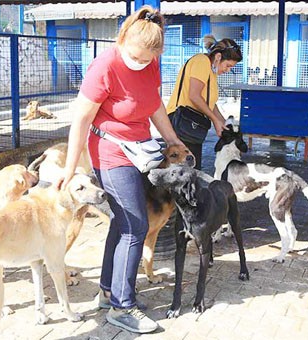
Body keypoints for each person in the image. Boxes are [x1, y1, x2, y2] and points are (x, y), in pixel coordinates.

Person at [59, 6, 185, 334]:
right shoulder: (105, 66)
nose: (141, 63)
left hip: (140, 150)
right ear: (123, 38)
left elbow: (154, 103)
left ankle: (107, 290)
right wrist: (70, 170)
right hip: (110, 152)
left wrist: (172, 139)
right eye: (137, 57)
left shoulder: (151, 64)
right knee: (135, 225)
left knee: (122, 222)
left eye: (147, 60)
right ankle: (122, 306)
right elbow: (82, 120)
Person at [166, 34, 243, 170]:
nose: (228, 70)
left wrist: (224, 124)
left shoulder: (211, 73)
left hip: (192, 126)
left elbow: (210, 104)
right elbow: (194, 96)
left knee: (193, 171)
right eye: (228, 65)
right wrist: (215, 120)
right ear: (218, 57)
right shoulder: (201, 61)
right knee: (184, 173)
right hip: (181, 123)